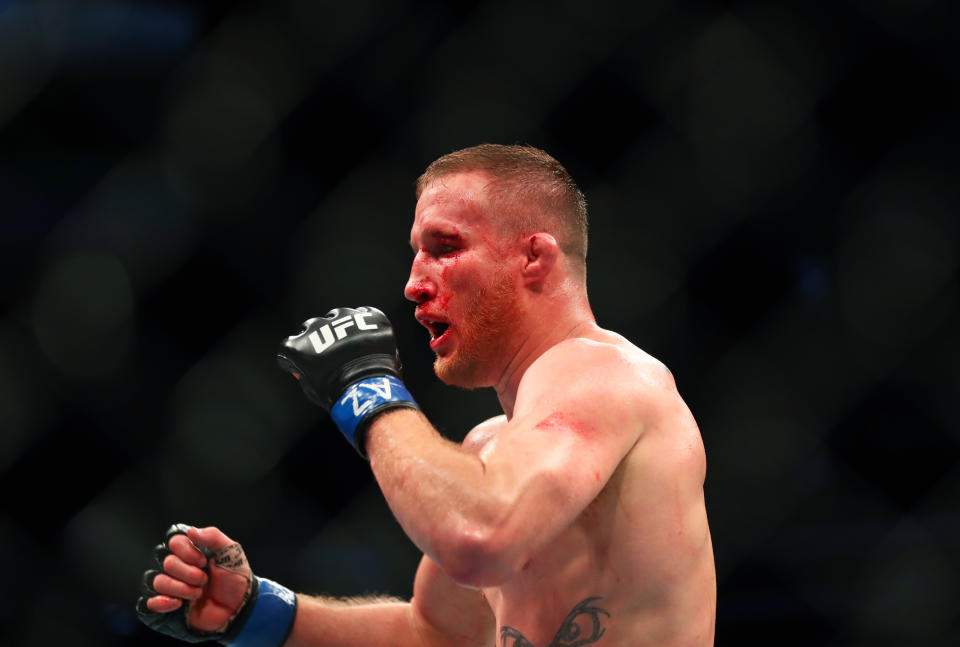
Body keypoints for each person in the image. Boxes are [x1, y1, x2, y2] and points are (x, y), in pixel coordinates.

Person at [136, 144, 716, 646]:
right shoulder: (491, 450)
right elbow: (437, 635)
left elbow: (479, 539)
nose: (413, 284)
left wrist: (365, 391)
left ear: (534, 258)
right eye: (416, 253)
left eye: (444, 247)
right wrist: (253, 612)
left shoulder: (604, 372)